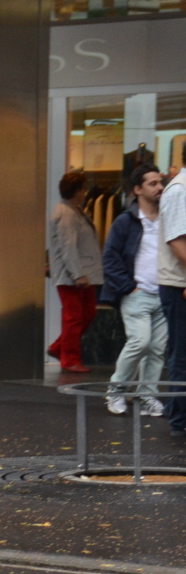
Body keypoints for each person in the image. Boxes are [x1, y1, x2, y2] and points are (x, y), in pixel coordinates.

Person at [100, 165, 166, 416]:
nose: (159, 187)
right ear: (137, 190)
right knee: (141, 341)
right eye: (152, 183)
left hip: (163, 293)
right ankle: (116, 390)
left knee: (158, 348)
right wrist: (129, 287)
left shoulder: (168, 218)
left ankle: (146, 396)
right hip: (137, 294)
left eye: (160, 182)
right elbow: (110, 257)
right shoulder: (126, 221)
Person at [47, 170, 104, 373]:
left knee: (86, 313)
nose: (85, 192)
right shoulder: (66, 213)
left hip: (80, 274)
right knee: (74, 317)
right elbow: (68, 245)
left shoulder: (73, 210)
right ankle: (70, 359)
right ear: (76, 190)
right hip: (73, 276)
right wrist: (77, 273)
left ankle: (58, 347)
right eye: (83, 188)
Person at [157, 144, 186, 436]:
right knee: (182, 354)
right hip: (179, 285)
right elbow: (177, 241)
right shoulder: (179, 190)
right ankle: (179, 419)